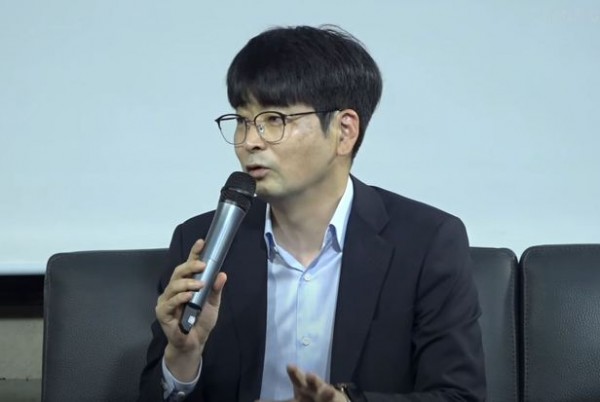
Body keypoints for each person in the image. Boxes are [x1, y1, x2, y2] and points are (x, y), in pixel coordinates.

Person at [138, 25, 486, 402]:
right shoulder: (201, 242)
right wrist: (183, 357)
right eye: (241, 120)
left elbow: (459, 396)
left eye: (274, 120)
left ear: (344, 131)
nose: (249, 142)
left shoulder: (426, 242)